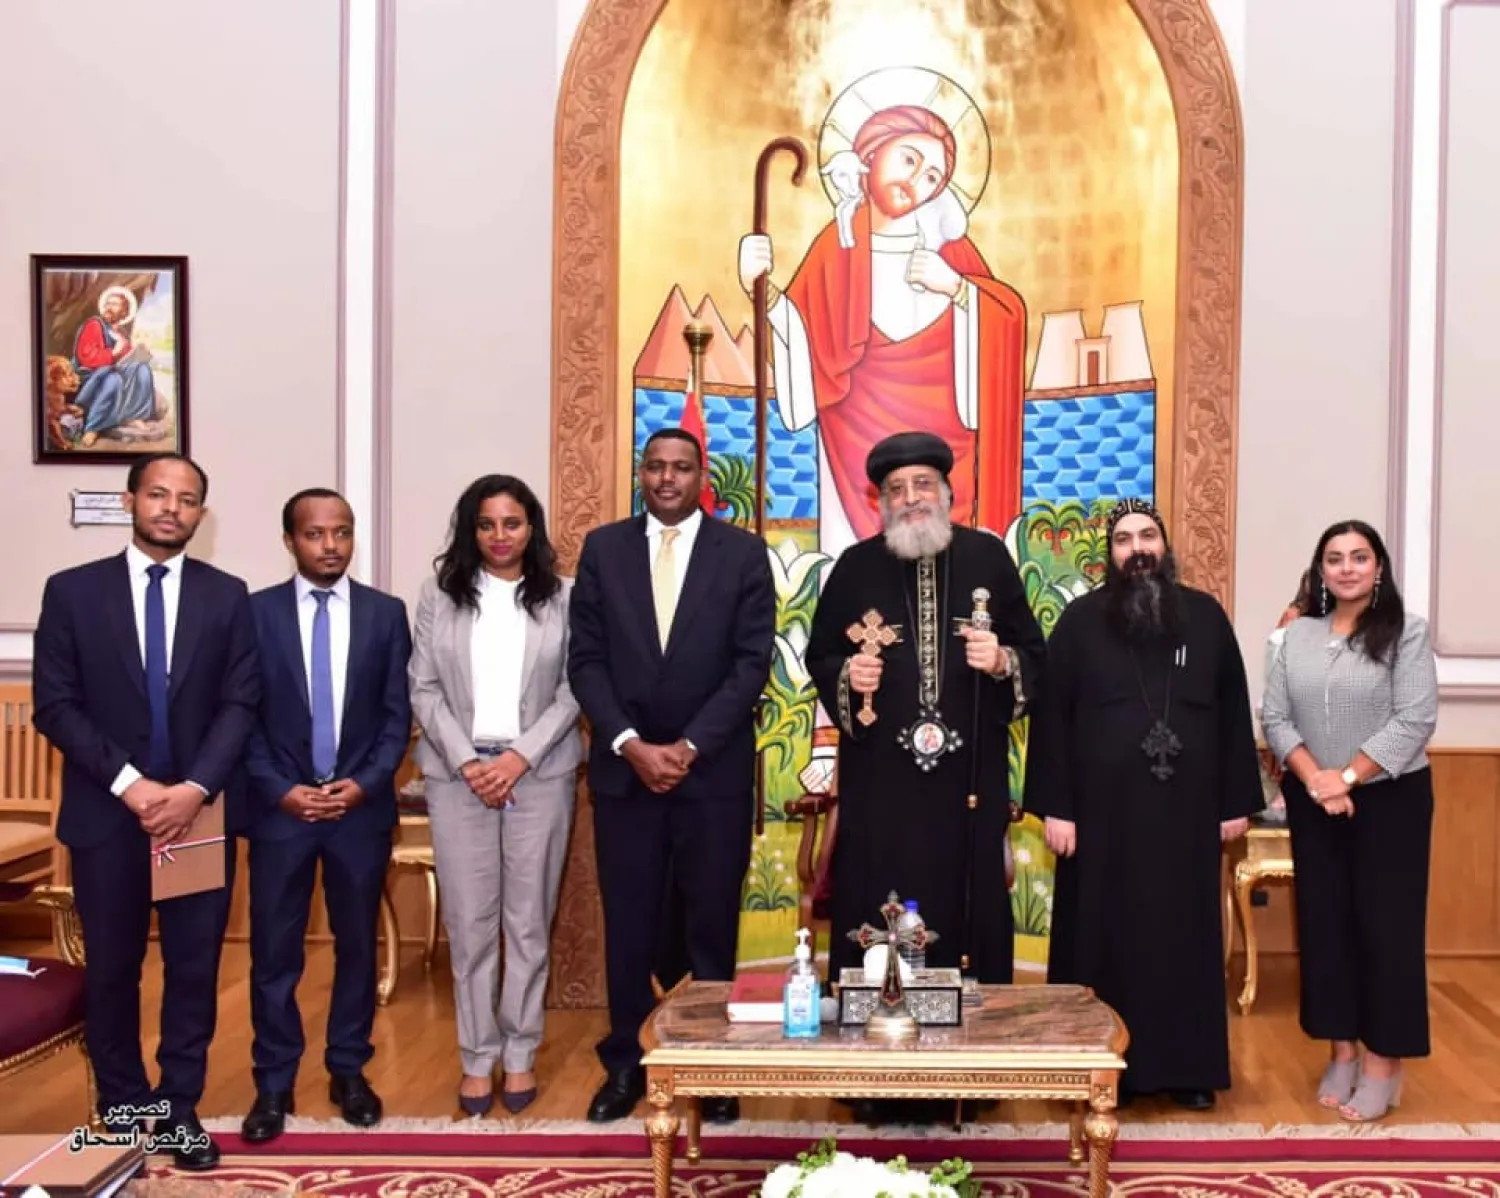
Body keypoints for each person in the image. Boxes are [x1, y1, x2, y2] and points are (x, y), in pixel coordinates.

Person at [31, 453, 260, 1171]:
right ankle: (126, 1110)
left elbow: (241, 702)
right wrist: (132, 786)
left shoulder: (227, 597)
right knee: (113, 970)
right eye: (158, 494)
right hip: (109, 818)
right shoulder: (72, 592)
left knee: (193, 970)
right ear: (131, 500)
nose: (171, 508)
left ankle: (179, 1109)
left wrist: (192, 789)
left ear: (201, 514)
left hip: (194, 815)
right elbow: (55, 705)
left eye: (187, 500)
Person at [1024, 498, 1262, 1110]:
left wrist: (1235, 800)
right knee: (1100, 939)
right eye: (1124, 539)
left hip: (1185, 815)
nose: (1138, 549)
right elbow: (1051, 720)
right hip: (1099, 820)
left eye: (1147, 536)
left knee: (1182, 939)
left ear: (1165, 546)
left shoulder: (1206, 619)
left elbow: (1235, 713)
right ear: (1111, 554)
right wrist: (1056, 808)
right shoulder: (1078, 624)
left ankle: (1188, 1069)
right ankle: (1100, 1066)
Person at [568, 428, 775, 1124]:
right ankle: (627, 1062)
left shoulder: (742, 554)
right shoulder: (604, 549)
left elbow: (751, 665)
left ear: (700, 476)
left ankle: (712, 1063)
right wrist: (631, 744)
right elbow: (586, 661)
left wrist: (687, 747)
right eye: (654, 467)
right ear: (640, 473)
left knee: (713, 926)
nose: (666, 479)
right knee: (627, 924)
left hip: (709, 776)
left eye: (680, 468)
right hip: (627, 777)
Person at [805, 431, 1044, 980]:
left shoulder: (987, 558)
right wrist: (847, 673)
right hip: (880, 785)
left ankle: (976, 1027)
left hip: (969, 780)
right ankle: (876, 1010)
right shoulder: (855, 568)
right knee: (877, 890)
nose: (910, 497)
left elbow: (1035, 654)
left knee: (967, 901)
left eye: (922, 484)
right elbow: (821, 656)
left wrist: (1004, 660)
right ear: (881, 502)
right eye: (896, 488)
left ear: (946, 492)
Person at [737, 103, 1027, 556]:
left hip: (950, 443)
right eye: (910, 159)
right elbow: (802, 337)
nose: (916, 182)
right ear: (871, 153)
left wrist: (956, 288)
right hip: (854, 447)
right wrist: (761, 292)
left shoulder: (949, 250)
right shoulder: (839, 245)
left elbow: (1006, 321)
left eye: (934, 177)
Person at [237, 489, 413, 1142]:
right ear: (291, 540)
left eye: (342, 533)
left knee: (357, 946)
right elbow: (240, 715)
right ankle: (273, 1083)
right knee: (274, 954)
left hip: (357, 814)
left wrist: (363, 786)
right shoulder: (252, 614)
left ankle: (349, 1070)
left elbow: (397, 716)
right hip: (280, 812)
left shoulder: (385, 614)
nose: (330, 545)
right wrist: (280, 788)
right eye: (315, 534)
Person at [409, 475, 581, 1117]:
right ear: (469, 531)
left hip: (538, 774)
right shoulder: (440, 595)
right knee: (472, 925)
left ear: (530, 528)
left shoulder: (564, 597)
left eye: (512, 523)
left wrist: (516, 757)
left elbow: (575, 688)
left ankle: (520, 1052)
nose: (500, 536)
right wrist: (466, 759)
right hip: (459, 779)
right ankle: (477, 1057)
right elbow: (422, 687)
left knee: (528, 924)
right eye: (486, 525)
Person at [1260, 520, 1438, 1122]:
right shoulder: (1294, 637)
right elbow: (1277, 718)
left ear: (1378, 567)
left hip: (1390, 801)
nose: (1347, 568)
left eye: (1360, 557)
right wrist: (1315, 778)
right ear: (1320, 572)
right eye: (1334, 558)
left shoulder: (1406, 633)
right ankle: (1341, 1052)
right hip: (1314, 800)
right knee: (1326, 927)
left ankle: (1385, 1064)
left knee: (1386, 931)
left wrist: (1349, 776)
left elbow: (1415, 719)